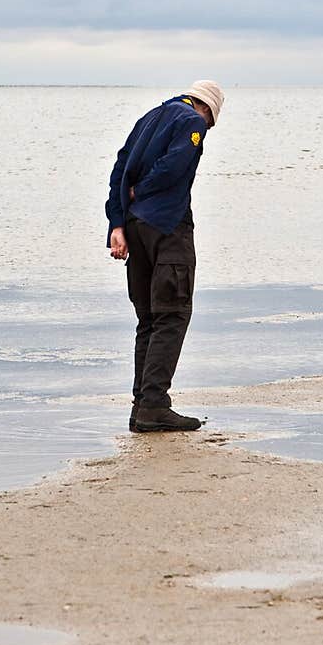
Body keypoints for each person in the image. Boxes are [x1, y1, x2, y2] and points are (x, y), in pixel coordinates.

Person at [105, 81, 225, 432]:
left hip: (134, 226)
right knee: (172, 313)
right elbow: (174, 166)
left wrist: (117, 221)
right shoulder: (192, 121)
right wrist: (143, 191)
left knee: (148, 319)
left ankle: (141, 405)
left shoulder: (149, 116)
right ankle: (155, 405)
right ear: (210, 112)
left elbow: (119, 167)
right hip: (167, 225)